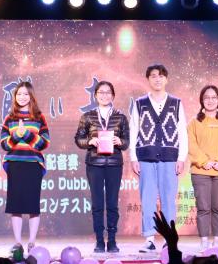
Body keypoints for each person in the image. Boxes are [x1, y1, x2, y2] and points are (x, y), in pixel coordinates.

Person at [130, 64, 188, 253]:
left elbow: (182, 131)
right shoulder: (140, 103)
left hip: (170, 158)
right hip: (145, 157)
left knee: (168, 199)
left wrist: (181, 157)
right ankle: (149, 238)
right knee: (147, 199)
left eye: (161, 76)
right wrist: (133, 157)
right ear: (148, 79)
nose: (157, 79)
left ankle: (169, 239)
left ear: (166, 79)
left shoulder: (176, 103)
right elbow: (133, 130)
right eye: (153, 76)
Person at [73, 80, 129, 254]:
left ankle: (112, 240)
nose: (104, 95)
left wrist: (120, 141)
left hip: (114, 164)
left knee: (112, 203)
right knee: (97, 203)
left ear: (113, 96)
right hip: (94, 164)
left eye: (108, 92)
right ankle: (99, 241)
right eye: (101, 92)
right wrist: (90, 141)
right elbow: (78, 139)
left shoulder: (121, 117)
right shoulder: (87, 116)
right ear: (95, 95)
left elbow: (127, 141)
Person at [0, 81, 51, 252]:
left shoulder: (39, 117)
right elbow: (4, 144)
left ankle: (31, 242)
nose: (22, 97)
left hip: (33, 165)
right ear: (15, 97)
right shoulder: (10, 118)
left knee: (32, 205)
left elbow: (45, 143)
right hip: (15, 164)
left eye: (25, 94)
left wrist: (27, 134)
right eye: (19, 94)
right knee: (16, 205)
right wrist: (16, 135)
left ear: (31, 96)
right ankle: (17, 243)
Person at [187, 85, 218, 250]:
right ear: (202, 100)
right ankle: (204, 242)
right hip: (200, 171)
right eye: (206, 97)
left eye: (213, 97)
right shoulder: (194, 123)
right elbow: (191, 145)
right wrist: (204, 161)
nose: (210, 100)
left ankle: (217, 241)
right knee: (203, 208)